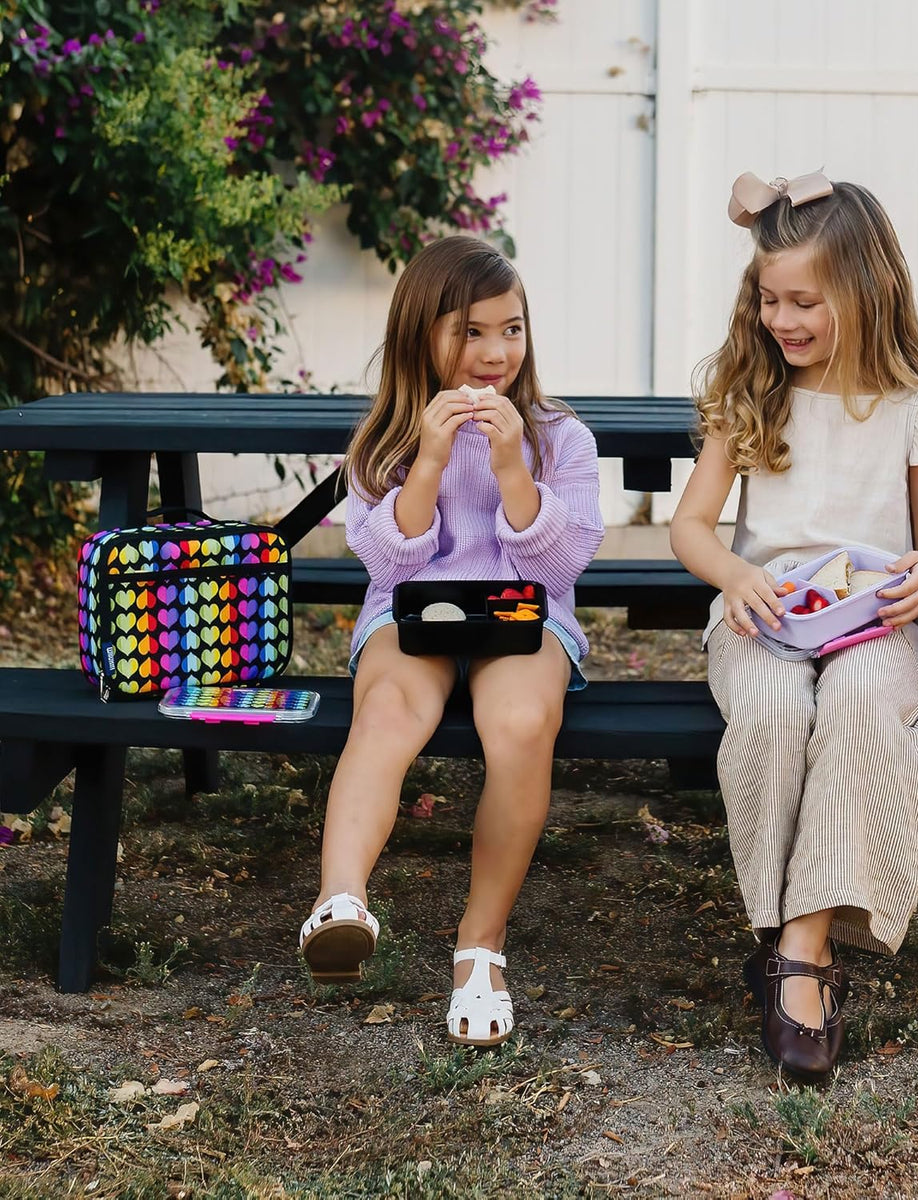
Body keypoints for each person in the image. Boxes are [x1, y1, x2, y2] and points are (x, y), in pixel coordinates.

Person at [670, 171, 918, 1080]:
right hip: (765, 612)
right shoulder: (749, 388)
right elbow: (690, 527)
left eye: (805, 301)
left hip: (875, 618)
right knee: (768, 708)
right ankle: (783, 917)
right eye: (768, 299)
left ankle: (801, 951)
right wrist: (736, 575)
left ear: (867, 293)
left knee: (862, 700)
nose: (782, 320)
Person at [300, 235, 604, 1047]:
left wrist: (513, 468)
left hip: (524, 617)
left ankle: (481, 945)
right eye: (470, 331)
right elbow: (387, 561)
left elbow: (566, 563)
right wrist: (429, 461)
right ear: (420, 333)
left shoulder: (562, 439)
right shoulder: (382, 440)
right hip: (414, 612)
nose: (495, 351)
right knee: (390, 710)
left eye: (511, 329)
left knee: (519, 725)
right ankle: (342, 901)